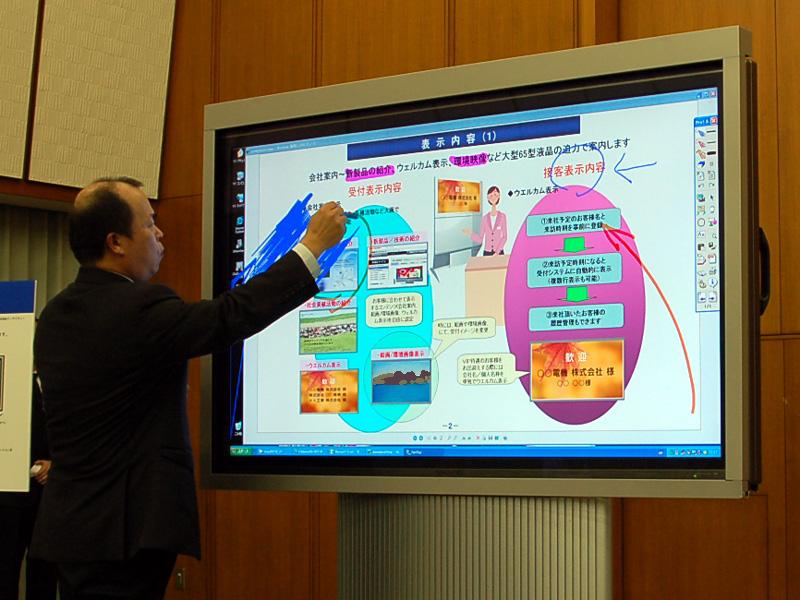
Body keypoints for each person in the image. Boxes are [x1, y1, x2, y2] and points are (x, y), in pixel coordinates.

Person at [29, 176, 345, 599]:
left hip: (73, 527)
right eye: (148, 224)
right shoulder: (137, 308)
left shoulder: (55, 315)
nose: (159, 234)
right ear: (116, 242)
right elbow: (228, 317)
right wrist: (311, 248)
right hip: (125, 532)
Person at [0, 374, 58, 600]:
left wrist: (58, 463)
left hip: (51, 496)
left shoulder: (63, 377)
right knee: (4, 575)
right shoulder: (9, 374)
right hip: (8, 496)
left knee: (44, 577)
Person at [463, 185, 507, 255]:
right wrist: (470, 234)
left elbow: (504, 237)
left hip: (499, 252)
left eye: (495, 195)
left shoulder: (502, 216)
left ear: (499, 196)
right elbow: (480, 239)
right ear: (488, 198)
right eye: (491, 196)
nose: (493, 197)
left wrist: (497, 252)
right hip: (487, 252)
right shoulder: (485, 218)